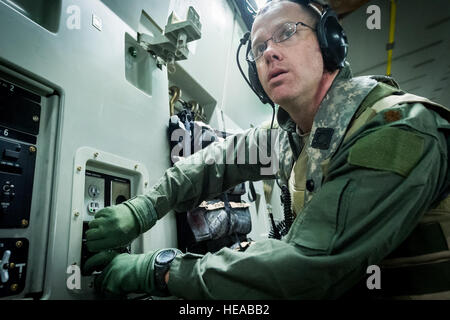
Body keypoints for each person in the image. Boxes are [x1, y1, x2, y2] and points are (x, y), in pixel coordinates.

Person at [84, 0, 450, 299]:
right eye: (259, 47)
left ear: (329, 41)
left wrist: (159, 270)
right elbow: (216, 161)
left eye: (286, 33)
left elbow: (303, 267)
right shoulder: (290, 134)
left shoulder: (398, 129)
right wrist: (144, 208)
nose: (270, 52)